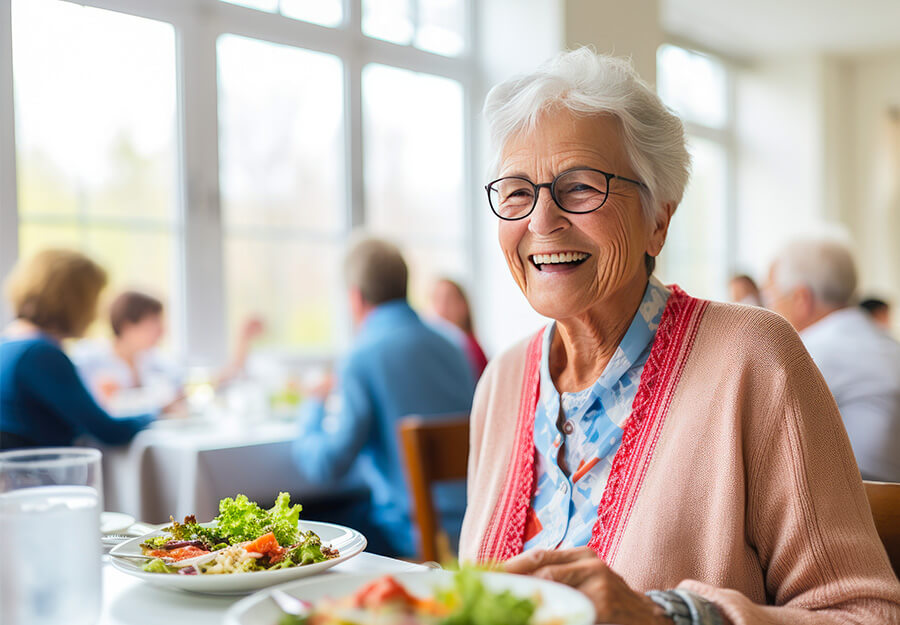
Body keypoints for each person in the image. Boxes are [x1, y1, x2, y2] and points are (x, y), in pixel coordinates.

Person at [459, 49, 900, 625]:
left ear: (659, 220)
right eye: (518, 191)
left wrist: (672, 617)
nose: (542, 220)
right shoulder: (503, 380)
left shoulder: (754, 357)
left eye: (581, 187)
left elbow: (865, 613)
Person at [291, 237, 475, 558]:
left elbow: (326, 467)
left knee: (302, 522)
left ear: (355, 297)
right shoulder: (455, 346)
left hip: (413, 535)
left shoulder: (361, 357)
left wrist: (313, 404)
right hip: (475, 523)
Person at [766, 239, 900, 482]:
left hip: (865, 503)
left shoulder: (807, 350)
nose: (770, 309)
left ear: (801, 299)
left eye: (773, 298)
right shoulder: (884, 341)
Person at [0, 250, 158, 449]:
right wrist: (155, 414)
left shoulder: (9, 344)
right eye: (95, 298)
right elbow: (109, 431)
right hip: (34, 476)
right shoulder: (40, 355)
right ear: (75, 301)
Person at [73, 291, 264, 415]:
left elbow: (203, 384)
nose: (162, 332)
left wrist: (243, 340)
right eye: (153, 324)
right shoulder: (89, 360)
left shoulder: (155, 362)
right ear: (127, 325)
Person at [430, 278, 489, 379]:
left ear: (463, 306)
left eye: (448, 300)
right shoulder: (439, 348)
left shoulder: (471, 350)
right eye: (437, 300)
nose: (442, 308)